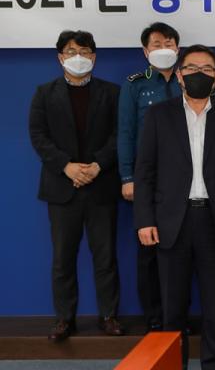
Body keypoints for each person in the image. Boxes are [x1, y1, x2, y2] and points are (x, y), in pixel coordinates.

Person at [134, 45, 215, 370]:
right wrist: (144, 220)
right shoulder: (159, 115)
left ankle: (213, 364)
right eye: (192, 68)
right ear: (180, 76)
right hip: (172, 222)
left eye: (207, 69)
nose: (199, 74)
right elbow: (145, 172)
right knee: (172, 308)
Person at [29, 30, 124, 341]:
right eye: (71, 52)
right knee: (63, 259)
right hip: (62, 187)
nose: (78, 57)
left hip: (101, 185)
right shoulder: (45, 93)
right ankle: (64, 319)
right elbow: (38, 136)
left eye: (84, 51)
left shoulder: (112, 93)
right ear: (60, 58)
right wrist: (66, 166)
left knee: (105, 257)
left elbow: (120, 135)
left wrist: (97, 165)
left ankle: (108, 316)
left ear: (94, 57)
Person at [118, 21, 181, 332]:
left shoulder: (189, 79)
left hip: (185, 179)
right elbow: (125, 133)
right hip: (148, 179)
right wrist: (127, 177)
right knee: (149, 252)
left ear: (178, 49)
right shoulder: (135, 85)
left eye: (169, 44)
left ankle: (177, 317)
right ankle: (154, 319)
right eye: (157, 44)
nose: (163, 49)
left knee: (181, 250)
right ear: (145, 51)